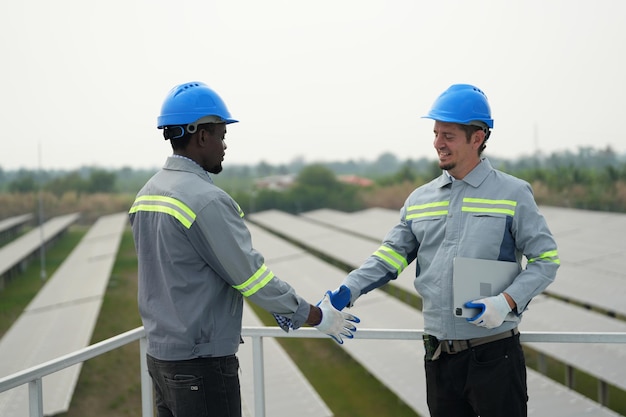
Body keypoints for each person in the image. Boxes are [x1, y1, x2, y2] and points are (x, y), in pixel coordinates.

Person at [128, 81, 359, 417]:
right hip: (201, 366)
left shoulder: (147, 193)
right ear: (201, 136)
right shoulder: (205, 201)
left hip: (162, 360)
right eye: (221, 135)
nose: (224, 145)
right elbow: (251, 278)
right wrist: (315, 316)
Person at [327, 84, 560, 417]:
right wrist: (347, 289)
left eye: (448, 135)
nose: (437, 143)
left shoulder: (512, 193)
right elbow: (389, 256)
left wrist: (506, 301)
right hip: (438, 359)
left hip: (493, 355)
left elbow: (546, 260)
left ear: (477, 137)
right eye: (436, 133)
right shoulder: (420, 200)